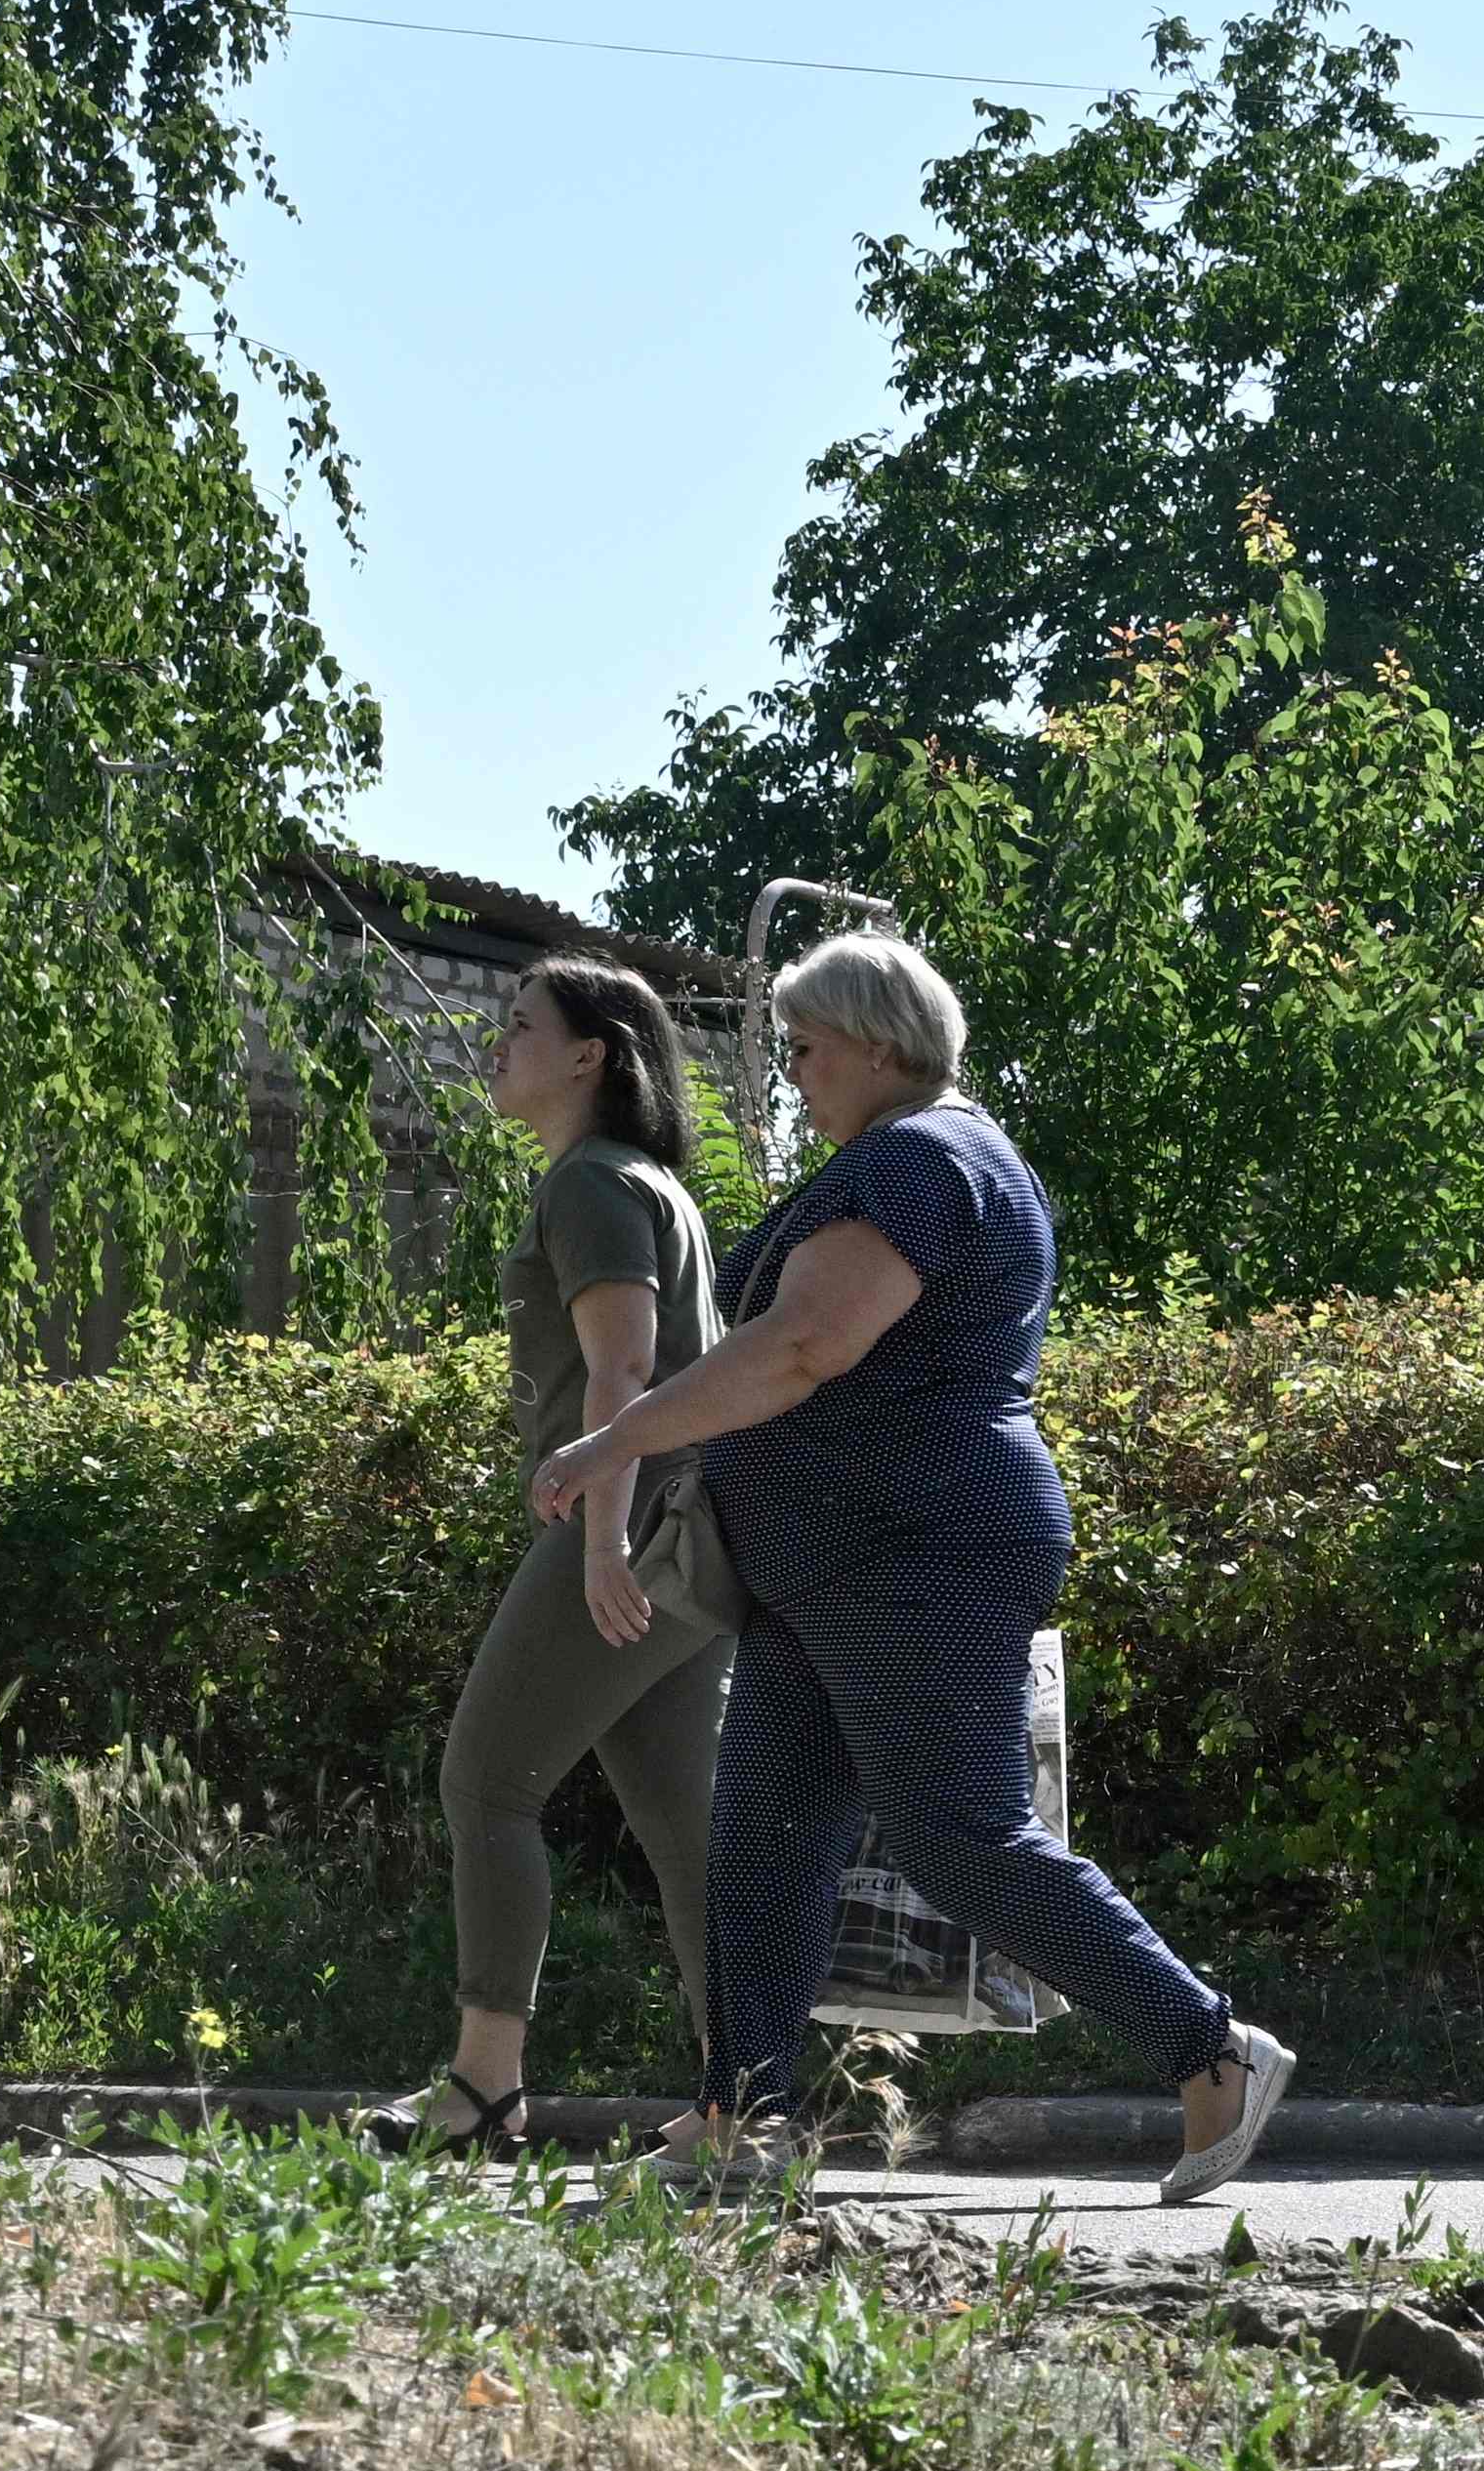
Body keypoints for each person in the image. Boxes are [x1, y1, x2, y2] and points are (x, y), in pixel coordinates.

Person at [526, 930, 1293, 2201]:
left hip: (911, 1550)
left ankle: (1208, 2045)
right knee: (766, 1836)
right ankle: (745, 2116)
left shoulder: (920, 1159)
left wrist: (613, 1439)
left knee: (958, 1833)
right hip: (832, 1567)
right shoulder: (924, 1156)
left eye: (809, 1048)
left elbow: (803, 1347)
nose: (796, 1075)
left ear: (880, 1044)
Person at [406, 960, 732, 2152]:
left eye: (519, 1027)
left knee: (487, 1783)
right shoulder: (652, 1184)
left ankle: (483, 2088)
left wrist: (601, 1539)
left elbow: (623, 1371)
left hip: (628, 1517)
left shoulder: (591, 1182)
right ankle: (744, 2099)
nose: (497, 1045)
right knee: (684, 1829)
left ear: (591, 1054)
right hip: (696, 1532)